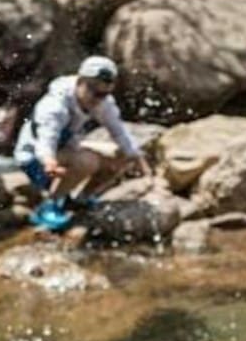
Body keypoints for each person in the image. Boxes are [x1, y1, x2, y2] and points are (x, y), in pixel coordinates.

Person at [13, 55, 152, 233]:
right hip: (34, 157)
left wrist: (138, 158)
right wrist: (49, 162)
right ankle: (49, 205)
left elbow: (119, 132)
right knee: (88, 161)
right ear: (80, 82)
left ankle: (81, 198)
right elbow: (46, 138)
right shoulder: (55, 105)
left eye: (104, 93)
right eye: (93, 90)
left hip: (65, 149)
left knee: (122, 155)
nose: (97, 98)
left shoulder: (102, 103)